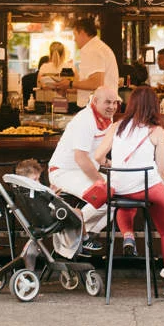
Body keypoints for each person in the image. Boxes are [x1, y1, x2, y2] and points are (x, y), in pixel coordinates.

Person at [92, 85, 164, 297]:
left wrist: (113, 164)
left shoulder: (116, 126)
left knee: (125, 199)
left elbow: (98, 157)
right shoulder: (157, 131)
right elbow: (162, 168)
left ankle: (128, 235)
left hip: (119, 189)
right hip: (148, 187)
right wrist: (156, 187)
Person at [46, 86, 119, 256]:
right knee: (105, 195)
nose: (112, 106)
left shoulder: (105, 118)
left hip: (81, 170)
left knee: (119, 195)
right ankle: (78, 234)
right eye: (108, 102)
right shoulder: (85, 120)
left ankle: (74, 232)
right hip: (63, 172)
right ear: (95, 101)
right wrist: (100, 183)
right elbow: (81, 158)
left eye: (115, 102)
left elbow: (97, 154)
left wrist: (109, 164)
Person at [72, 17, 119, 107]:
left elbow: (96, 83)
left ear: (82, 32)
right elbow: (91, 84)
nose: (74, 39)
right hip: (101, 106)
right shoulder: (97, 47)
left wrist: (70, 84)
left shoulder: (92, 50)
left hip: (97, 108)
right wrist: (69, 87)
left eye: (75, 35)